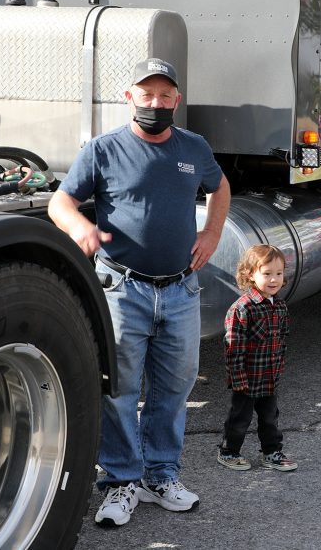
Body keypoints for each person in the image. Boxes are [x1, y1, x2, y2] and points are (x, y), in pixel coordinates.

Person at [48, 57, 231, 528]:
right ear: (129, 97)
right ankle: (121, 482)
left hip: (180, 290)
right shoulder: (104, 150)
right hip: (123, 289)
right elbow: (60, 201)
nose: (156, 103)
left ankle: (160, 476)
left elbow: (220, 186)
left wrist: (211, 234)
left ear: (177, 100)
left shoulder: (193, 148)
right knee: (121, 391)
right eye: (146, 95)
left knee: (174, 388)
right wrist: (80, 227)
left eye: (165, 95)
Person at [217, 245, 298, 473]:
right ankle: (229, 451)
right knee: (239, 418)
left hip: (269, 376)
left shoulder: (280, 306)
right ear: (250, 274)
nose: (274, 279)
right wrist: (237, 376)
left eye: (279, 273)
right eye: (267, 274)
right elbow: (233, 347)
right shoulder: (242, 308)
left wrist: (278, 368)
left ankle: (271, 452)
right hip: (247, 377)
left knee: (270, 417)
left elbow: (282, 338)